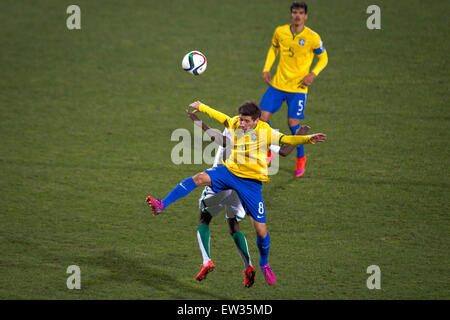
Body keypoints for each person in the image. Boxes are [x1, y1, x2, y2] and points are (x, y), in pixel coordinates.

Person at [146, 100, 326, 286]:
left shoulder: (266, 132)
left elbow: (287, 142)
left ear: (256, 120)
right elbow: (222, 117)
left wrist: (307, 138)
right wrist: (202, 108)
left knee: (261, 231)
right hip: (230, 172)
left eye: (246, 121)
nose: (242, 124)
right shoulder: (235, 123)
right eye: (241, 120)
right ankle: (161, 205)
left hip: (251, 184)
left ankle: (264, 264)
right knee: (199, 178)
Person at [185, 109, 310, 288]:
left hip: (221, 181)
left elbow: (218, 138)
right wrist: (299, 134)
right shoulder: (265, 133)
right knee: (233, 225)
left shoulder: (232, 127)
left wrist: (197, 120)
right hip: (242, 188)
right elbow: (284, 151)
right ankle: (249, 266)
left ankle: (207, 261)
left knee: (204, 219)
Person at [260, 1, 328, 177]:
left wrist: (313, 74)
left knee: (293, 125)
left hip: (298, 88)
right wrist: (267, 68)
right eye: (295, 12)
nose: (297, 15)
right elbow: (273, 49)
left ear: (305, 16)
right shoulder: (280, 31)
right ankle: (268, 151)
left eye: (301, 13)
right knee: (262, 118)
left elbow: (324, 58)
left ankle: (300, 157)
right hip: (277, 85)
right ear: (291, 14)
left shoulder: (312, 37)